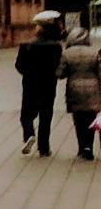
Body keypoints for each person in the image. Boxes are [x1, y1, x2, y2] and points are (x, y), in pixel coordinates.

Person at [17, 11, 64, 156]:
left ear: (38, 30)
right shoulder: (56, 46)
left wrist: (28, 73)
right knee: (46, 116)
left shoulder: (26, 45)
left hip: (30, 83)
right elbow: (58, 65)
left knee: (26, 114)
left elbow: (19, 65)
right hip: (49, 84)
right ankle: (44, 148)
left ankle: (29, 134)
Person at [63, 25, 101, 161]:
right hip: (93, 90)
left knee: (78, 119)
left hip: (74, 90)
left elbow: (61, 73)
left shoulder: (67, 53)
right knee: (91, 118)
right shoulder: (95, 52)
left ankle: (82, 147)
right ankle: (89, 147)